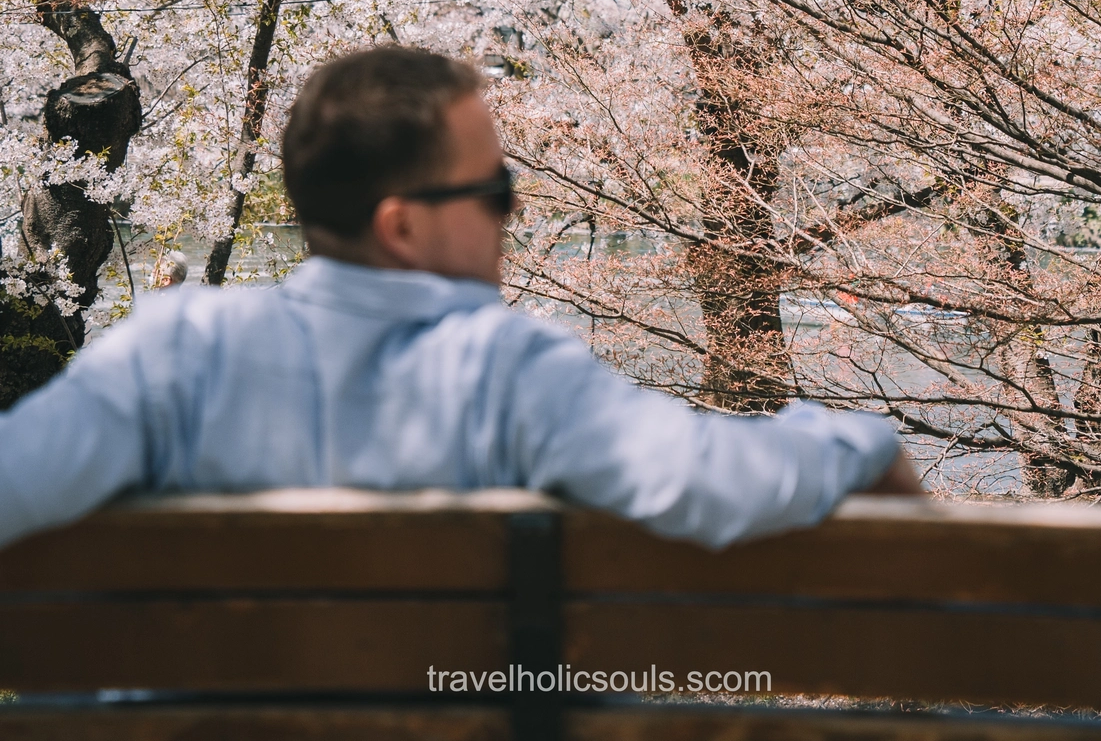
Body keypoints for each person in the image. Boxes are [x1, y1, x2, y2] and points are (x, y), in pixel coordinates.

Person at [0, 45, 921, 552]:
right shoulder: (505, 372)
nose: (509, 218)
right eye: (494, 195)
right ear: (402, 225)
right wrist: (860, 440)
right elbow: (711, 482)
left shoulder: (171, 352)